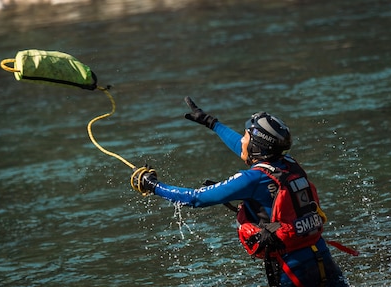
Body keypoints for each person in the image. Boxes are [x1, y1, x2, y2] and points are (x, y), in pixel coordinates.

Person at [131, 97, 349, 287]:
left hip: (291, 269)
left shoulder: (252, 179)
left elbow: (195, 198)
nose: (241, 140)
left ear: (256, 147)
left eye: (245, 136)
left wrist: (152, 186)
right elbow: (245, 148)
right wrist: (211, 123)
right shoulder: (289, 164)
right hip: (320, 254)